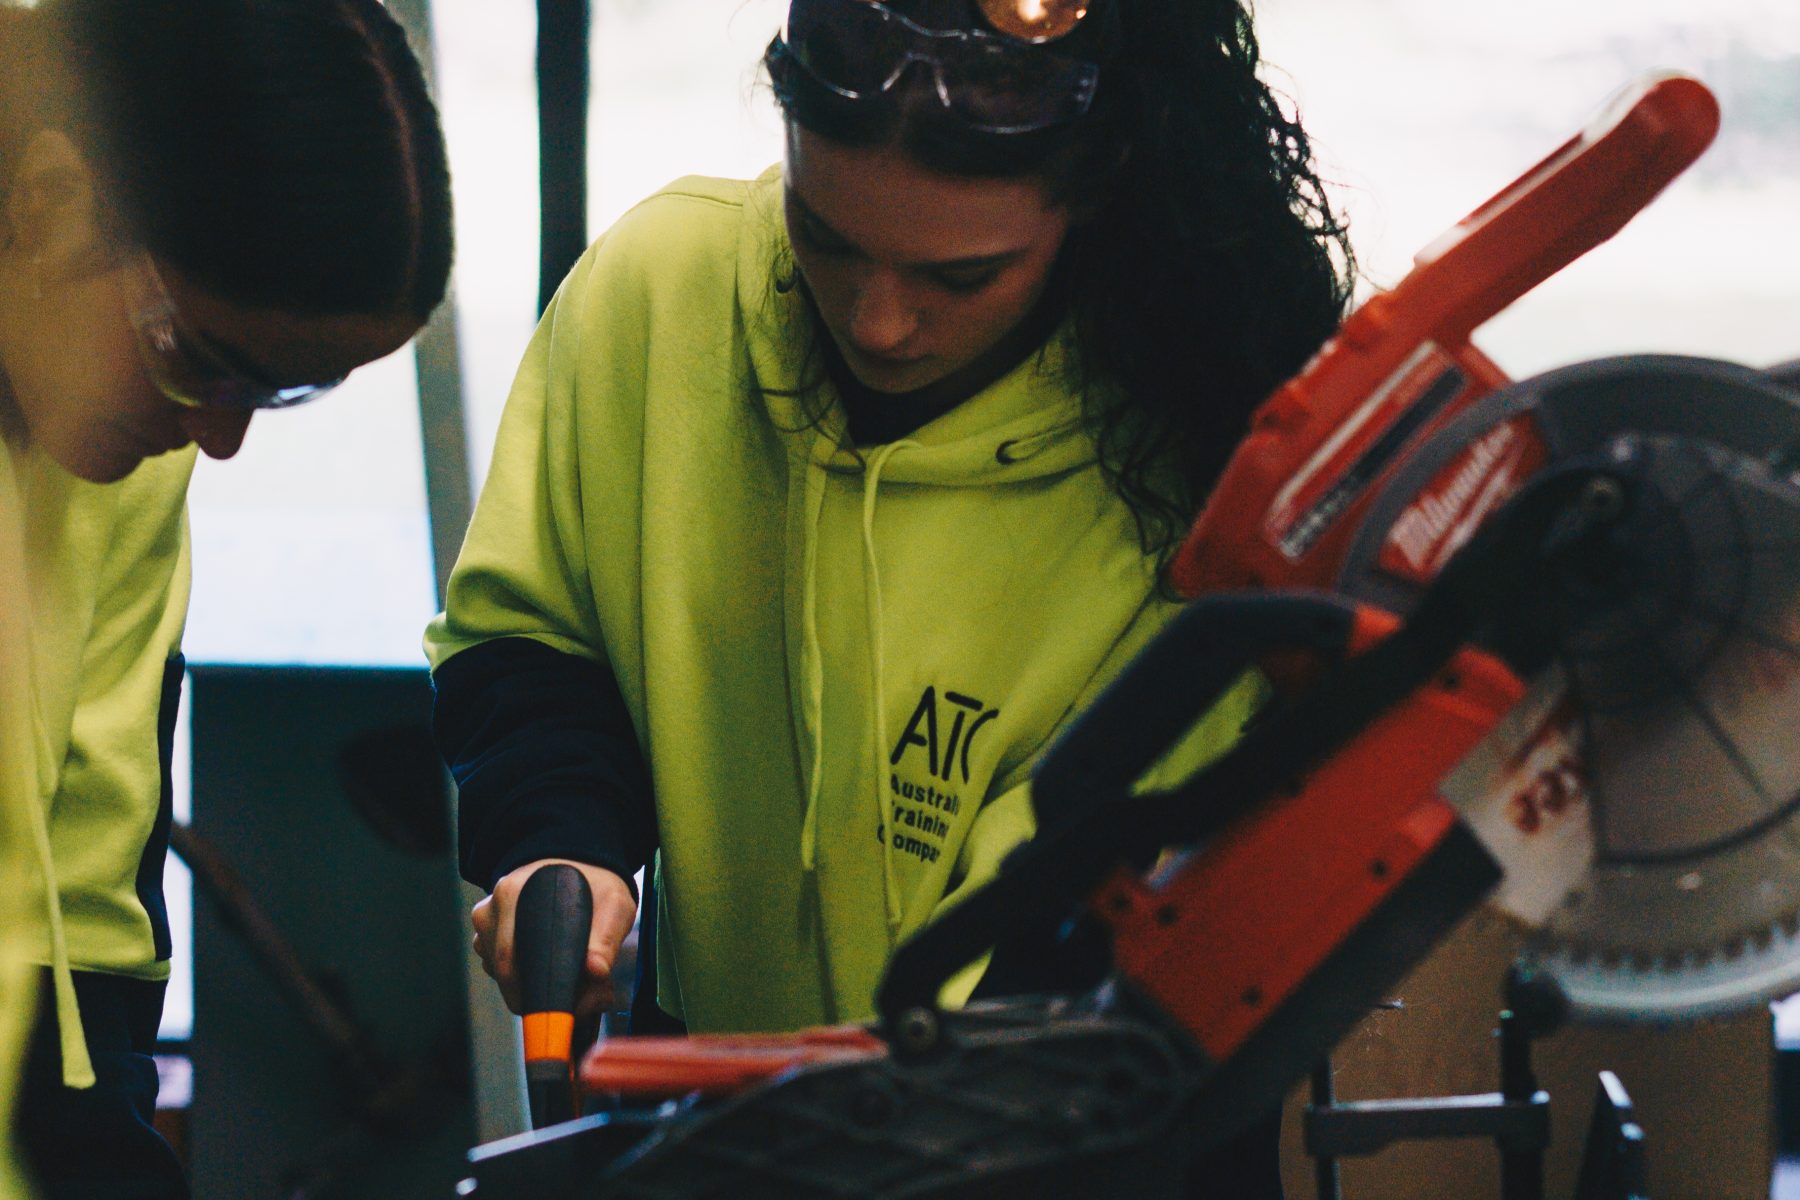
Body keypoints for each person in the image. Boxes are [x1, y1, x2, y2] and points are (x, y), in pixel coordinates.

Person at [428, 0, 1350, 1191]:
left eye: (960, 276)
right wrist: (562, 842)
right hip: (729, 1113)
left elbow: (1079, 929)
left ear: (1099, 187)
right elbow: (532, 635)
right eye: (823, 238)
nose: (878, 321)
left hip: (1074, 1142)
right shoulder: (654, 297)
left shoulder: (1214, 447)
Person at [0, 0, 454, 1194]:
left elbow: (79, 946)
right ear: (50, 201)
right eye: (198, 359)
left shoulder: (119, 446)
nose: (216, 438)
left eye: (278, 393)